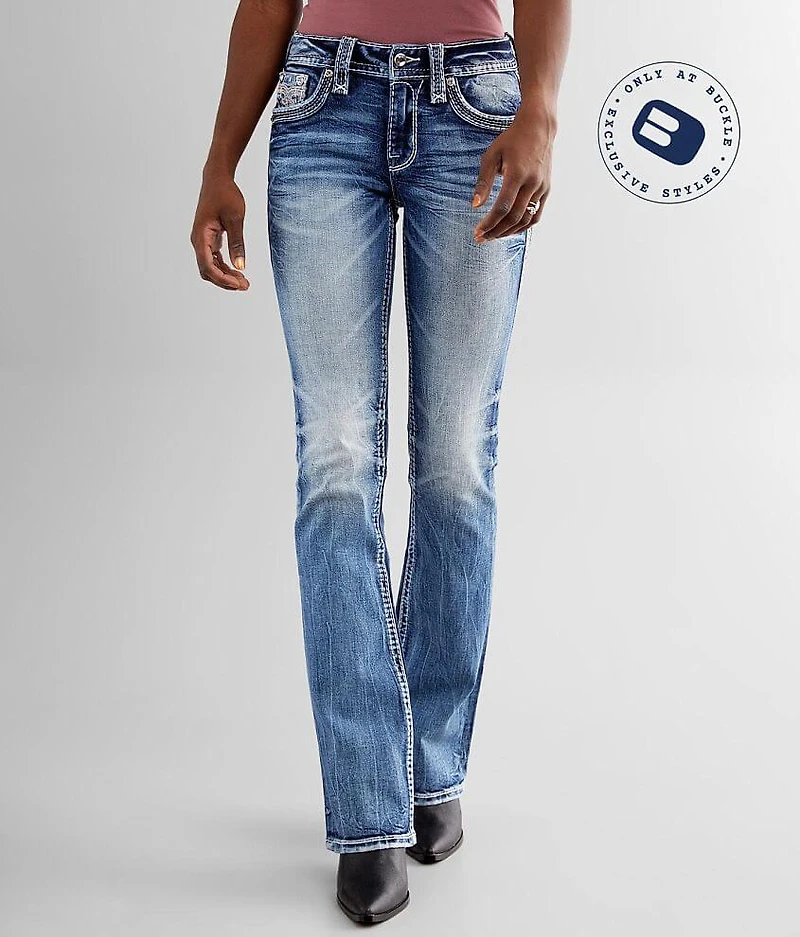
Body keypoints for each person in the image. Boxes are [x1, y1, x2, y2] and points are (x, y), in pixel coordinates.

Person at [191, 0, 571, 924]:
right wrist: (218, 161)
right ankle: (368, 810)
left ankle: (429, 767)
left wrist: (541, 110)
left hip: (475, 109)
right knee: (334, 462)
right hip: (324, 108)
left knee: (455, 463)